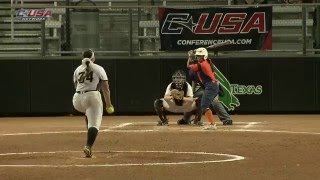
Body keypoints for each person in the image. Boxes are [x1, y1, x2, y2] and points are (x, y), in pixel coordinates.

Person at [72, 49, 114, 158]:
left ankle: (89, 131)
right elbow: (106, 89)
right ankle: (88, 146)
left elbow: (76, 86)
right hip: (92, 97)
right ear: (93, 58)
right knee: (95, 124)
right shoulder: (99, 68)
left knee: (88, 113)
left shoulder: (78, 69)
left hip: (77, 99)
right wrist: (108, 104)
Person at [187, 47, 219, 130]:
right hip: (211, 85)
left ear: (204, 56)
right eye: (197, 56)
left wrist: (190, 56)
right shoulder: (207, 61)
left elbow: (188, 66)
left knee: (204, 105)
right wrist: (194, 53)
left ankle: (212, 125)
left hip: (211, 86)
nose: (198, 58)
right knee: (205, 105)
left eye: (200, 56)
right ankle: (212, 124)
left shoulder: (202, 64)